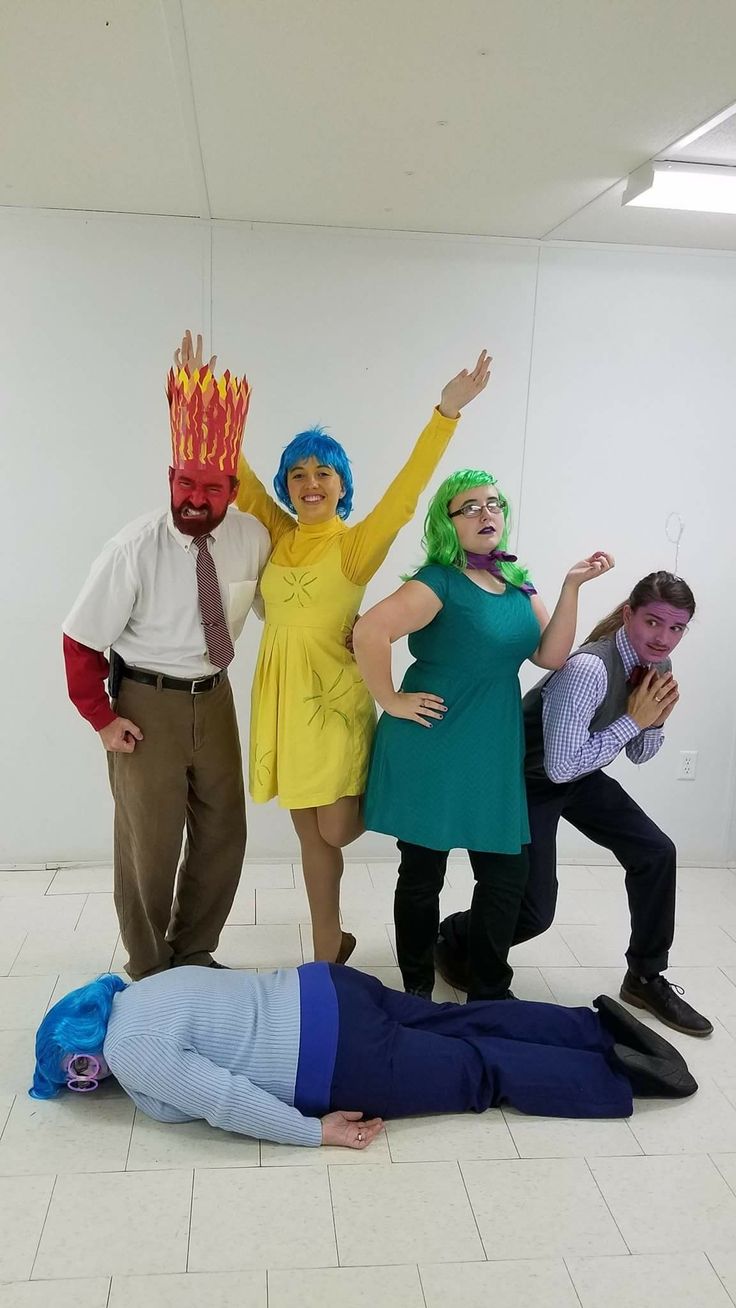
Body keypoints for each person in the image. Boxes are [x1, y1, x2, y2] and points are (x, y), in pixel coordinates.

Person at [189, 327, 492, 966]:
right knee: (310, 835)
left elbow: (406, 497)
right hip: (281, 695)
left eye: (322, 472)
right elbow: (237, 475)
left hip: (333, 699)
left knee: (335, 826)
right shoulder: (278, 530)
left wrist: (446, 414)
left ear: (340, 482)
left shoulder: (354, 545)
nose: (309, 483)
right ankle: (329, 946)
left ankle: (393, 784)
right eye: (297, 474)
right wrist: (202, 407)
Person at [353, 468, 613, 1001]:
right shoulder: (438, 581)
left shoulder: (518, 581)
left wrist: (570, 586)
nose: (485, 513)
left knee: (506, 877)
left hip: (491, 749)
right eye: (469, 506)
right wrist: (391, 700)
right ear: (447, 523)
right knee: (423, 873)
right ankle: (417, 989)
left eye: (492, 504)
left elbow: (551, 655)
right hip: (433, 743)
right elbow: (370, 630)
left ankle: (489, 987)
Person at [63, 338, 270, 980]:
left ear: (232, 488)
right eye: (185, 483)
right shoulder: (132, 548)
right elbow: (79, 641)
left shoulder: (251, 536)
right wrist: (101, 717)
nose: (195, 499)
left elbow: (279, 607)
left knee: (221, 832)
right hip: (144, 704)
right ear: (169, 479)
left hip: (216, 694)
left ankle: (194, 952)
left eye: (211, 487)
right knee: (149, 846)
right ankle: (150, 968)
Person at [436, 571, 713, 1037]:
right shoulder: (588, 669)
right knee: (535, 911)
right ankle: (452, 937)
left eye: (676, 629)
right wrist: (633, 719)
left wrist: (655, 721)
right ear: (629, 615)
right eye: (653, 622)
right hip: (524, 778)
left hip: (575, 773)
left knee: (655, 851)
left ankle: (644, 976)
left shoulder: (658, 666)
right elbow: (559, 767)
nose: (663, 638)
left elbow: (639, 754)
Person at [29, 966, 697, 1148]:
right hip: (329, 988)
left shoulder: (130, 1049)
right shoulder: (139, 992)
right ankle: (595, 1027)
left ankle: (626, 1077)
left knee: (478, 1071)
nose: (91, 1085)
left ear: (81, 1056)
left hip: (334, 1056)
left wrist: (313, 1131)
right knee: (462, 1017)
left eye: (78, 1079)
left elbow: (224, 1101)